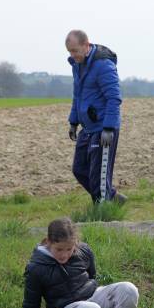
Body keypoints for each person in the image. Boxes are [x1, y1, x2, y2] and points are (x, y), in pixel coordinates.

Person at [10, 217, 139, 308]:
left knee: (128, 290)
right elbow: (30, 306)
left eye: (69, 249)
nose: (64, 255)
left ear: (75, 244)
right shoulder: (36, 269)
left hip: (91, 297)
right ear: (48, 242)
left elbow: (92, 276)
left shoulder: (84, 251)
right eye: (59, 249)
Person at [65, 30, 126, 204]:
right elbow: (78, 96)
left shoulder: (103, 64)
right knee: (79, 169)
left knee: (98, 177)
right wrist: (73, 121)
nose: (72, 55)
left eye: (75, 50)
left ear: (86, 45)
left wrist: (108, 128)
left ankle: (103, 213)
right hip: (88, 127)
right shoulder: (77, 65)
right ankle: (113, 199)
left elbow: (114, 98)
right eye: (69, 51)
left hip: (103, 127)